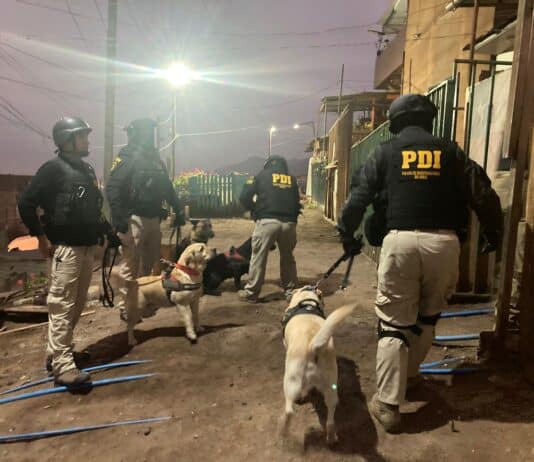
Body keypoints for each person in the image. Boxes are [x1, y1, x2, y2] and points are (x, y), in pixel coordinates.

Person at [337, 94, 503, 432]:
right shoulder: (451, 152)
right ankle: (410, 377)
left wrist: (347, 235)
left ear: (395, 123)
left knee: (393, 325)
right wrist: (493, 235)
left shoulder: (384, 152)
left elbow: (357, 199)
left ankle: (388, 405)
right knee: (427, 319)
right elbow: (484, 194)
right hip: (445, 244)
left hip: (400, 242)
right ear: (430, 121)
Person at [18, 117, 120, 386]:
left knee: (76, 305)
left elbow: (93, 209)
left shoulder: (86, 170)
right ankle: (63, 366)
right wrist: (40, 237)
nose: (87, 140)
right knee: (62, 305)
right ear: (67, 140)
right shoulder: (52, 169)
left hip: (86, 248)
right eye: (82, 136)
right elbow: (26, 203)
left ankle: (57, 355)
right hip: (67, 250)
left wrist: (108, 231)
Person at [105, 118, 184, 321]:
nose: (150, 136)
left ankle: (141, 300)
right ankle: (126, 307)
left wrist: (178, 208)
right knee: (130, 265)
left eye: (151, 132)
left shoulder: (155, 158)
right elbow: (112, 188)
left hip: (153, 218)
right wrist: (119, 217)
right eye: (147, 132)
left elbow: (166, 187)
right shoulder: (127, 156)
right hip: (133, 219)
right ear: (136, 133)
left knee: (148, 264)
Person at [238, 155, 301, 303]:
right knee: (288, 257)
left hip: (267, 222)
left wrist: (255, 209)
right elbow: (297, 202)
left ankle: (251, 293)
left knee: (258, 257)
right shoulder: (291, 179)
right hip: (289, 224)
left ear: (268, 165)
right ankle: (291, 292)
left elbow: (244, 196)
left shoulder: (261, 175)